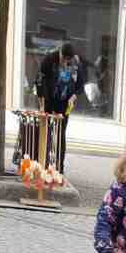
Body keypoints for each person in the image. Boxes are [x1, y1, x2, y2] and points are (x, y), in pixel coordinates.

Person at [37, 42, 84, 175]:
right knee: (46, 133)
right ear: (60, 53)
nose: (65, 61)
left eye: (68, 59)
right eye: (64, 58)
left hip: (64, 104)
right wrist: (41, 104)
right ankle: (42, 164)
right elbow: (39, 80)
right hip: (48, 102)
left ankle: (59, 168)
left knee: (60, 136)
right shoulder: (49, 59)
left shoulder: (76, 64)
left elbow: (80, 86)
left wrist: (73, 97)